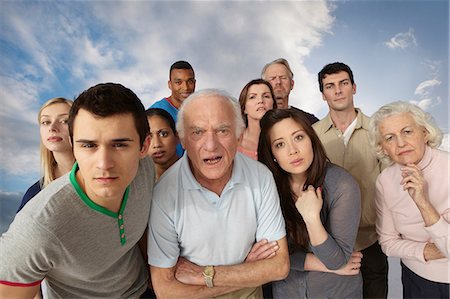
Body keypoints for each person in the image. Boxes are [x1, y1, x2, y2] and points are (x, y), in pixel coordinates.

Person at [0, 83, 155, 298]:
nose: (104, 163)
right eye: (88, 145)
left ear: (144, 147)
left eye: (119, 145)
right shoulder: (39, 226)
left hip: (143, 290)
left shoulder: (145, 170)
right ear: (72, 145)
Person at [148, 89, 289, 298]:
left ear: (239, 136)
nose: (211, 145)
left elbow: (278, 266)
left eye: (222, 130)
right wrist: (246, 272)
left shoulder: (261, 177)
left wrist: (204, 275)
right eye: (197, 132)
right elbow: (165, 290)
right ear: (184, 140)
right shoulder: (164, 194)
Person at [258, 108, 363, 298]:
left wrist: (312, 218)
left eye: (298, 137)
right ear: (273, 154)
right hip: (287, 291)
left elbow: (336, 260)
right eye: (280, 144)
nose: (293, 150)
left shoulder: (342, 184)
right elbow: (269, 255)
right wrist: (321, 263)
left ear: (311, 139)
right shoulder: (267, 188)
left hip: (335, 292)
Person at [313, 62, 388, 298]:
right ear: (323, 94)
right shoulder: (312, 136)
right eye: (330, 86)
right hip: (330, 244)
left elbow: (390, 182)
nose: (338, 90)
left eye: (343, 83)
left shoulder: (378, 130)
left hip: (371, 239)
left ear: (354, 87)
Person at [369, 101, 449, 298]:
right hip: (417, 280)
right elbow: (387, 242)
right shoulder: (385, 181)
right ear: (383, 148)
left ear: (425, 132)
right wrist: (425, 250)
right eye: (390, 138)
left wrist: (422, 200)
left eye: (407, 132)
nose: (401, 143)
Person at [17, 97, 75, 212]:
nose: (52, 128)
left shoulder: (103, 179)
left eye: (64, 121)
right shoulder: (34, 195)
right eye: (46, 122)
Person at [150, 60, 196, 157]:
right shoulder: (156, 113)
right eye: (178, 82)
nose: (186, 87)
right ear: (170, 84)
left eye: (190, 81)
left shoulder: (200, 110)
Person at [261, 58, 318, 124]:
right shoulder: (255, 120)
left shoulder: (309, 121)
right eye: (272, 78)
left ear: (292, 84)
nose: (278, 82)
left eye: (283, 78)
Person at [238, 79, 276, 160]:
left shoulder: (282, 137)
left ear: (273, 104)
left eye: (266, 96)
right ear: (244, 108)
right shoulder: (233, 140)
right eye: (252, 97)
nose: (261, 101)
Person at [145, 108, 180, 180]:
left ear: (177, 137)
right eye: (149, 137)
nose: (157, 144)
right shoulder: (138, 181)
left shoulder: (197, 173)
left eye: (163, 134)